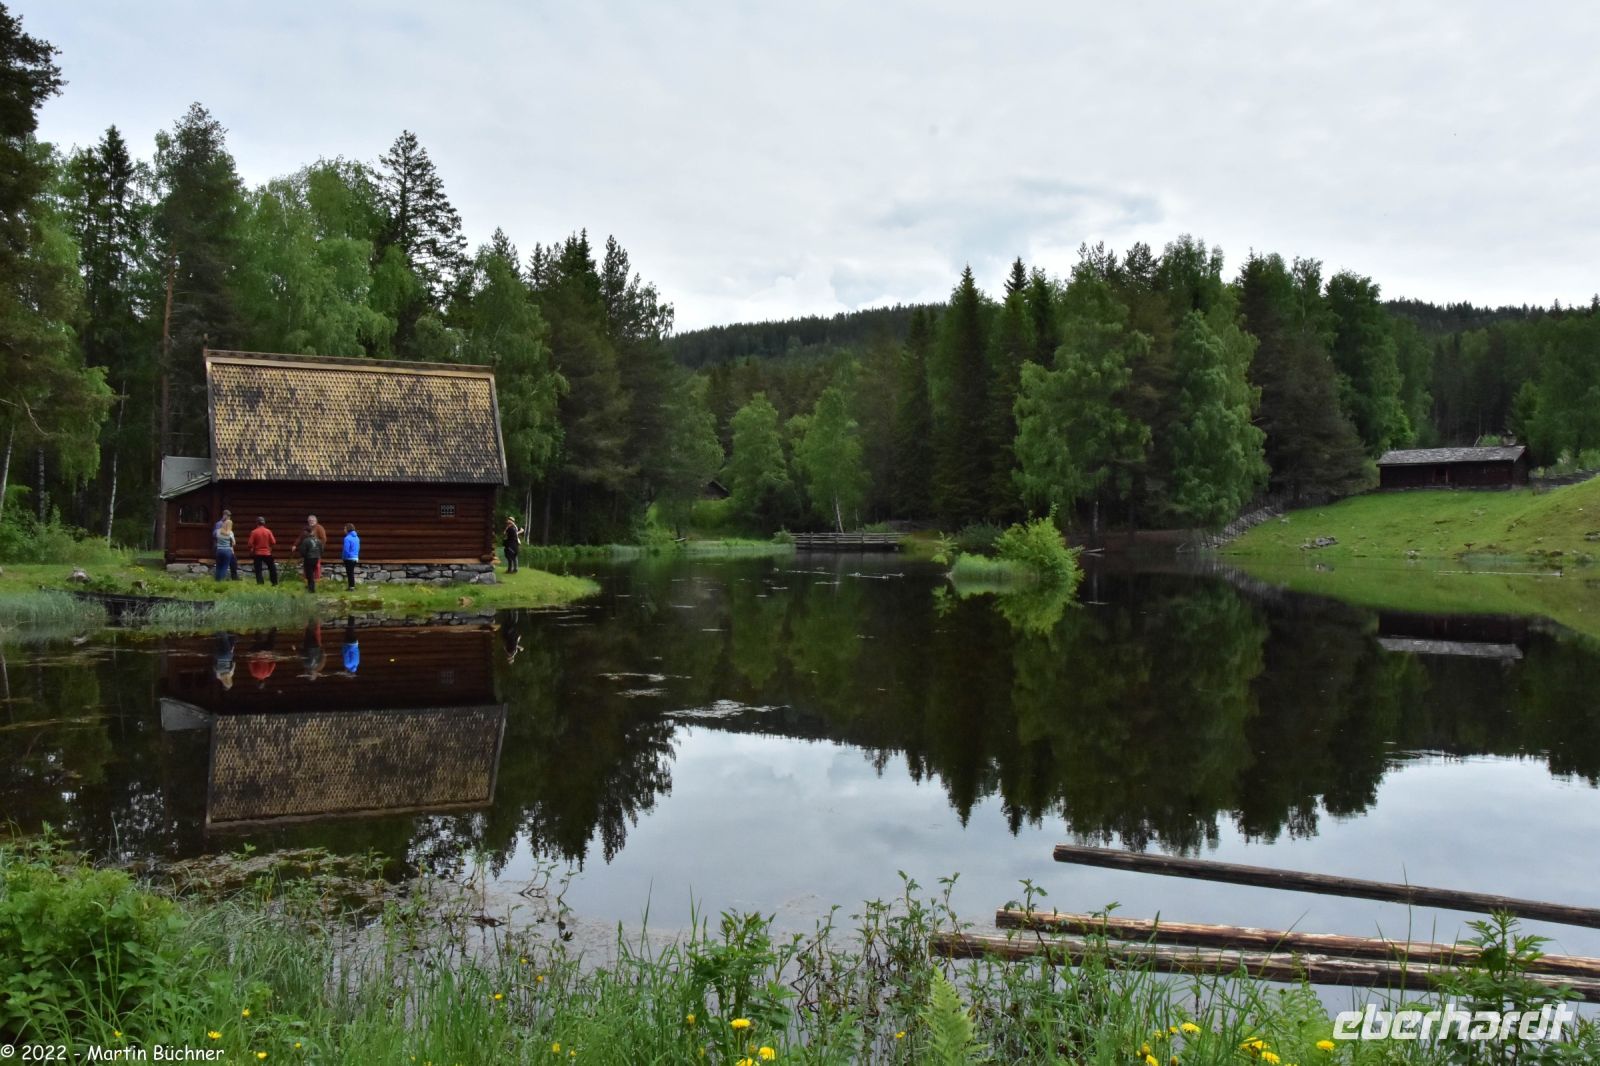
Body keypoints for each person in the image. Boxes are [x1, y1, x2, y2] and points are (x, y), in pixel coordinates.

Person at [247, 516, 278, 586]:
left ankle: (260, 583)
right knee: (272, 568)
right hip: (267, 553)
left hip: (257, 553)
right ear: (264, 523)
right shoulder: (268, 531)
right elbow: (273, 542)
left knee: (258, 569)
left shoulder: (254, 532)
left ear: (257, 523)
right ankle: (274, 583)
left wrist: (253, 547)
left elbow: (249, 544)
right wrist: (269, 548)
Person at [296, 520, 323, 593]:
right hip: (316, 558)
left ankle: (311, 589)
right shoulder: (318, 540)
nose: (304, 533)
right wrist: (318, 555)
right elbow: (321, 550)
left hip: (309, 559)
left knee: (309, 574)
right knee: (311, 573)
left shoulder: (306, 540)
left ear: (308, 532)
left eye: (305, 532)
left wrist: (304, 556)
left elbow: (302, 551)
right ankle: (310, 587)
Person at [211, 509, 239, 579]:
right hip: (223, 547)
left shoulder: (226, 526)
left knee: (232, 561)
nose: (229, 518)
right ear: (224, 515)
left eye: (229, 516)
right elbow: (214, 534)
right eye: (228, 516)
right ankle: (223, 579)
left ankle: (233, 577)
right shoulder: (219, 524)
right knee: (225, 564)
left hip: (223, 547)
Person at [307, 514, 328, 585]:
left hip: (316, 550)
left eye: (312, 520)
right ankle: (309, 579)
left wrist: (319, 547)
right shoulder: (308, 528)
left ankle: (317, 579)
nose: (311, 522)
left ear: (316, 521)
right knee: (308, 565)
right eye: (309, 520)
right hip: (308, 551)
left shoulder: (319, 528)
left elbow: (324, 539)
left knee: (317, 565)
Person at [341, 523, 360, 590]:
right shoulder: (357, 537)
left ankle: (351, 587)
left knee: (349, 573)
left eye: (345, 528)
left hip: (349, 558)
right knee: (351, 572)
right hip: (355, 557)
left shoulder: (347, 538)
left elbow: (346, 549)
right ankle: (351, 586)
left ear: (348, 529)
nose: (344, 530)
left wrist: (344, 557)